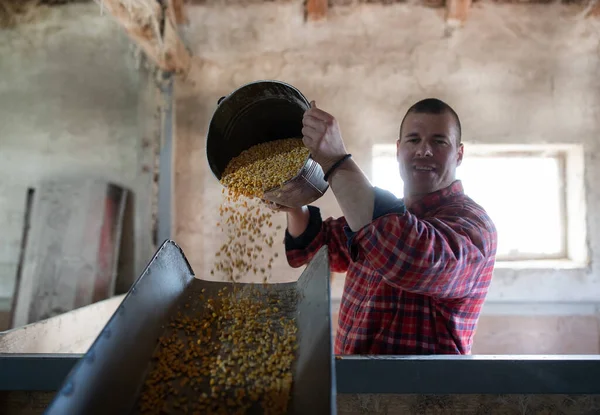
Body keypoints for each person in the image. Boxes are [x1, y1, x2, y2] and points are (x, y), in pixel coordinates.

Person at [269, 98, 497, 355]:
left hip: (425, 392)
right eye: (413, 140)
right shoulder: (381, 216)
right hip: (354, 385)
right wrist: (293, 203)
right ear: (399, 150)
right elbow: (318, 247)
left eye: (439, 141)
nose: (424, 150)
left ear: (459, 153)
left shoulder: (473, 226)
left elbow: (413, 261)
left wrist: (336, 161)